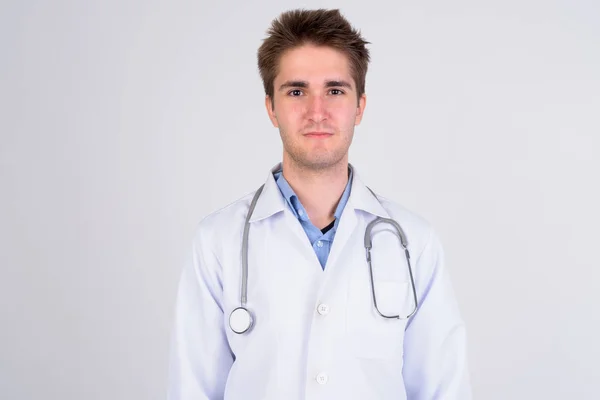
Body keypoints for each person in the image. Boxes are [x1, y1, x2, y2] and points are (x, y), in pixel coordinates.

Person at [167, 8, 471, 400]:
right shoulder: (218, 241)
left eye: (335, 90)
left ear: (359, 106)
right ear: (270, 107)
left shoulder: (414, 242)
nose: (317, 112)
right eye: (296, 91)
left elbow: (443, 389)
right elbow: (192, 388)